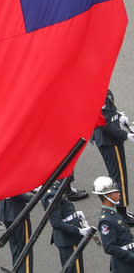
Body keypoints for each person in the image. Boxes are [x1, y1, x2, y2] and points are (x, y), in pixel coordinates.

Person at [93, 89, 134, 226]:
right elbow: (104, 122)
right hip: (110, 141)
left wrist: (118, 115)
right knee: (119, 176)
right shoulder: (96, 91)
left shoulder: (100, 85)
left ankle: (122, 210)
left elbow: (110, 110)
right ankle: (122, 212)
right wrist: (125, 135)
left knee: (117, 175)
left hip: (110, 139)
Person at [41, 178, 91, 273]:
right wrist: (78, 231)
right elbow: (57, 223)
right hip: (67, 238)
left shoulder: (55, 185)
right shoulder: (50, 194)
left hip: (69, 235)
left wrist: (75, 214)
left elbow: (64, 208)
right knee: (75, 270)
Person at [94, 175, 134, 272]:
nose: (119, 193)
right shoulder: (106, 220)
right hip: (124, 264)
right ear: (106, 196)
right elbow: (109, 247)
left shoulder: (113, 213)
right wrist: (130, 256)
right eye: (115, 192)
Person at [0, 192, 34, 273]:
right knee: (25, 248)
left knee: (15, 248)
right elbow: (15, 191)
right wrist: (31, 198)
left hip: (6, 212)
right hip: (16, 211)